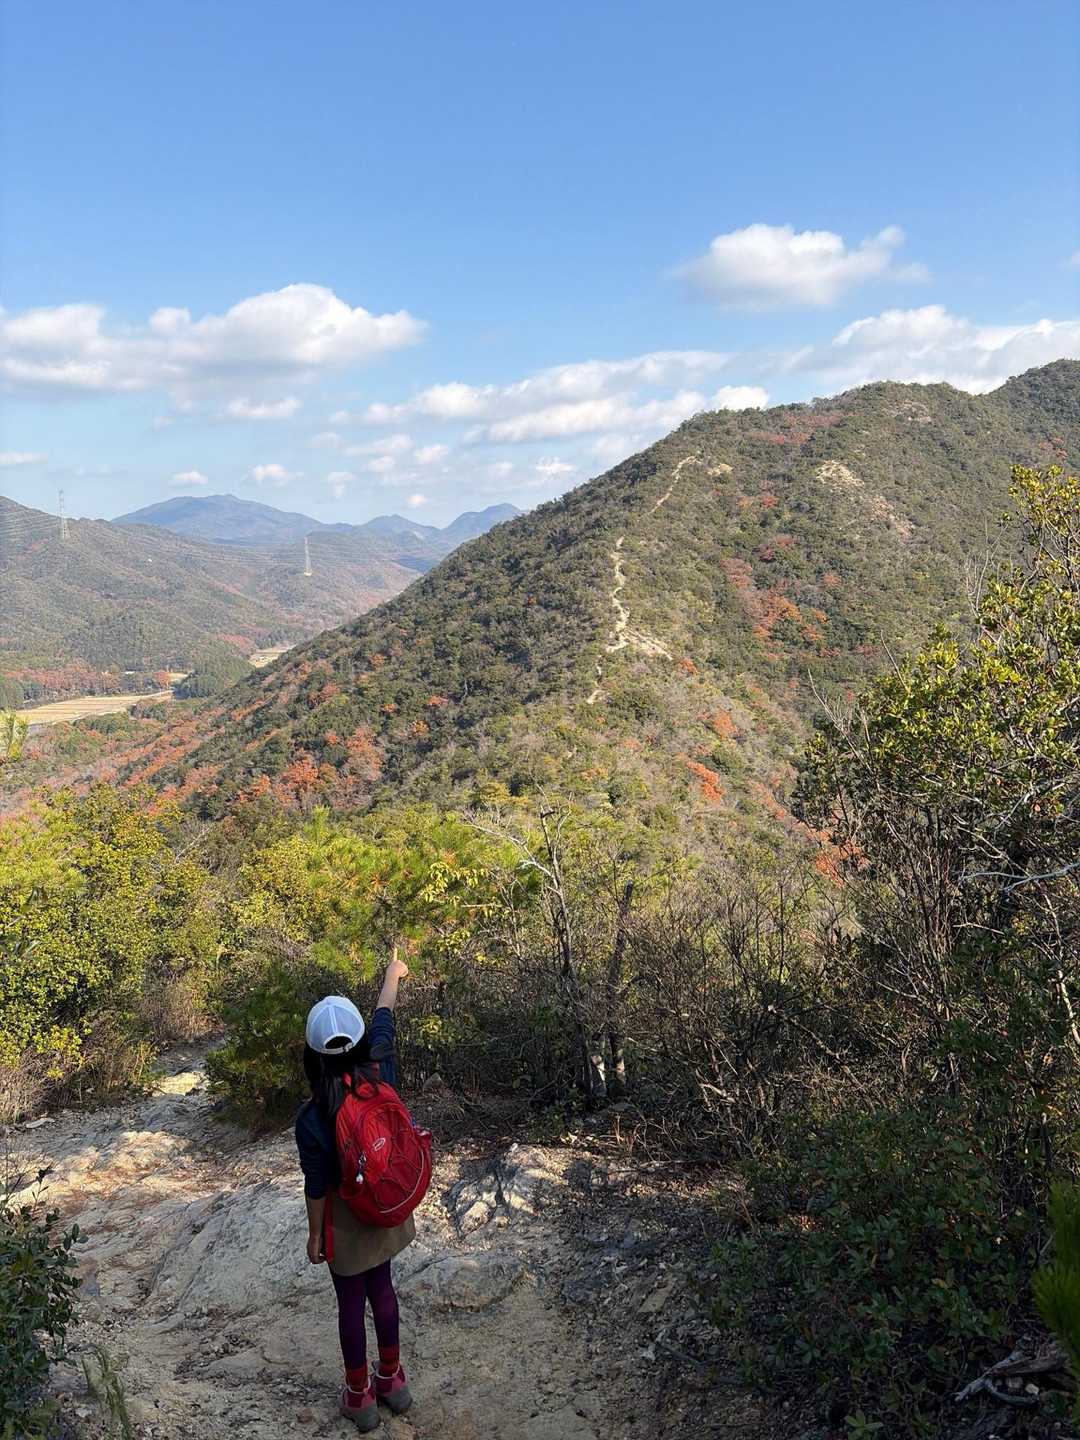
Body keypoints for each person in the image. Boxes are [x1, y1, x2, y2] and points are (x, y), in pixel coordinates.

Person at [295, 949, 415, 1431]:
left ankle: (359, 1396)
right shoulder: (380, 1068)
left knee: (350, 1302)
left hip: (345, 1218)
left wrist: (314, 1236)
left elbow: (316, 1185)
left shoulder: (311, 1116)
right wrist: (393, 973)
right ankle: (393, 1381)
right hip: (382, 1201)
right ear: (361, 1040)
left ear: (312, 1055)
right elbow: (384, 1016)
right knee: (382, 1289)